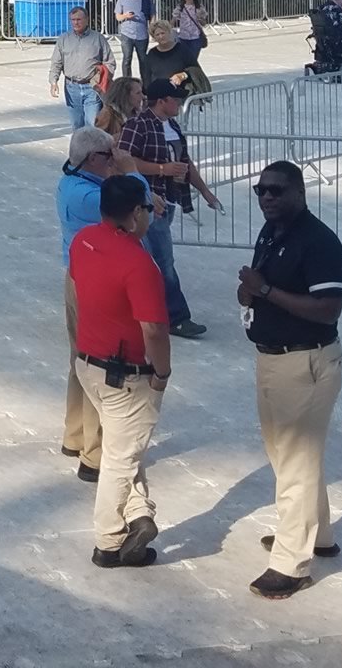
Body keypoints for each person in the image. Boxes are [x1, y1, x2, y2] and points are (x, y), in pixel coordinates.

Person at [239, 160, 342, 600]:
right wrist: (250, 292)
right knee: (289, 458)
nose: (267, 198)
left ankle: (290, 562)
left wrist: (265, 292)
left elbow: (328, 309)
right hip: (271, 359)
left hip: (305, 363)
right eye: (261, 190)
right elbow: (259, 282)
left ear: (300, 192)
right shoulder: (272, 232)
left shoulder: (318, 242)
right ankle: (315, 534)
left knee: (296, 464)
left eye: (277, 191)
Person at [70, 173, 173, 568]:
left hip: (88, 365)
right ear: (134, 214)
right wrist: (161, 373)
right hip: (127, 375)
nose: (150, 216)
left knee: (122, 447)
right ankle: (109, 541)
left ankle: (139, 514)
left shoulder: (84, 242)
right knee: (122, 458)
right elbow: (154, 329)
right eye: (147, 209)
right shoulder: (138, 263)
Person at [57, 125, 132, 483]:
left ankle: (75, 435)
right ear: (92, 159)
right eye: (107, 155)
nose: (113, 160)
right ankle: (95, 451)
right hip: (95, 283)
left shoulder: (74, 182)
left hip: (78, 275)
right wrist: (130, 170)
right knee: (99, 364)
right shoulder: (88, 196)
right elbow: (134, 205)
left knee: (80, 360)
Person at [118, 79, 222, 338]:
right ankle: (176, 316)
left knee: (155, 260)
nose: (179, 103)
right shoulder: (138, 125)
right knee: (161, 261)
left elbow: (185, 163)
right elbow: (124, 161)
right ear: (162, 101)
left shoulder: (173, 126)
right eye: (175, 99)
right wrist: (161, 170)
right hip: (146, 203)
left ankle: (144, 310)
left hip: (169, 199)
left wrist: (205, 191)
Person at [50, 5, 110, 130]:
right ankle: (79, 149)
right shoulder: (64, 39)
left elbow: (110, 62)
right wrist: (53, 81)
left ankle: (93, 149)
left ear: (87, 19)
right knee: (77, 125)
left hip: (92, 88)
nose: (76, 22)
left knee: (92, 124)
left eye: (79, 19)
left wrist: (103, 79)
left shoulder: (98, 38)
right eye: (73, 20)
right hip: (72, 88)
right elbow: (56, 62)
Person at [169, 0, 213, 94]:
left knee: (193, 61)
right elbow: (173, 20)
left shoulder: (199, 8)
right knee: (184, 61)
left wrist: (200, 19)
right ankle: (186, 81)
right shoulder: (180, 7)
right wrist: (167, 30)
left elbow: (204, 23)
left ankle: (197, 81)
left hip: (195, 38)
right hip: (183, 37)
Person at [142, 19, 200, 96]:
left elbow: (195, 70)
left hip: (181, 95)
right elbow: (147, 76)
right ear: (154, 38)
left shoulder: (182, 49)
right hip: (159, 96)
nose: (161, 36)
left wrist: (182, 75)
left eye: (163, 33)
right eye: (157, 35)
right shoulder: (152, 54)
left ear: (169, 32)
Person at [115, 0, 154, 81]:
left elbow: (152, 14)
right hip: (126, 34)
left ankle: (146, 83)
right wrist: (125, 16)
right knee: (127, 59)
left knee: (143, 60)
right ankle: (127, 83)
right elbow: (118, 17)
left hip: (142, 35)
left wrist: (152, 28)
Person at [96, 75, 142, 140]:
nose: (143, 96)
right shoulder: (108, 114)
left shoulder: (138, 114)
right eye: (138, 93)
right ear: (125, 95)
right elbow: (98, 140)